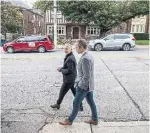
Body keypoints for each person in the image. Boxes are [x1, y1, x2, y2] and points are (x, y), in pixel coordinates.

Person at [59, 39, 98, 126]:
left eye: (76, 47)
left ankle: (69, 120)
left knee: (76, 103)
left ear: (80, 47)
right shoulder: (88, 55)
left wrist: (80, 86)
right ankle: (95, 119)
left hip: (84, 86)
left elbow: (87, 76)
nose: (75, 49)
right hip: (89, 85)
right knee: (91, 102)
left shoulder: (85, 58)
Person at [50, 44, 83, 111]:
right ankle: (80, 106)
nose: (65, 50)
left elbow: (69, 70)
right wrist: (62, 68)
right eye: (65, 49)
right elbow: (68, 67)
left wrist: (61, 70)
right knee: (75, 93)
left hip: (69, 80)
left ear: (70, 49)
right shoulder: (70, 56)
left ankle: (58, 104)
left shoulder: (70, 58)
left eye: (67, 49)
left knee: (62, 92)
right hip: (72, 78)